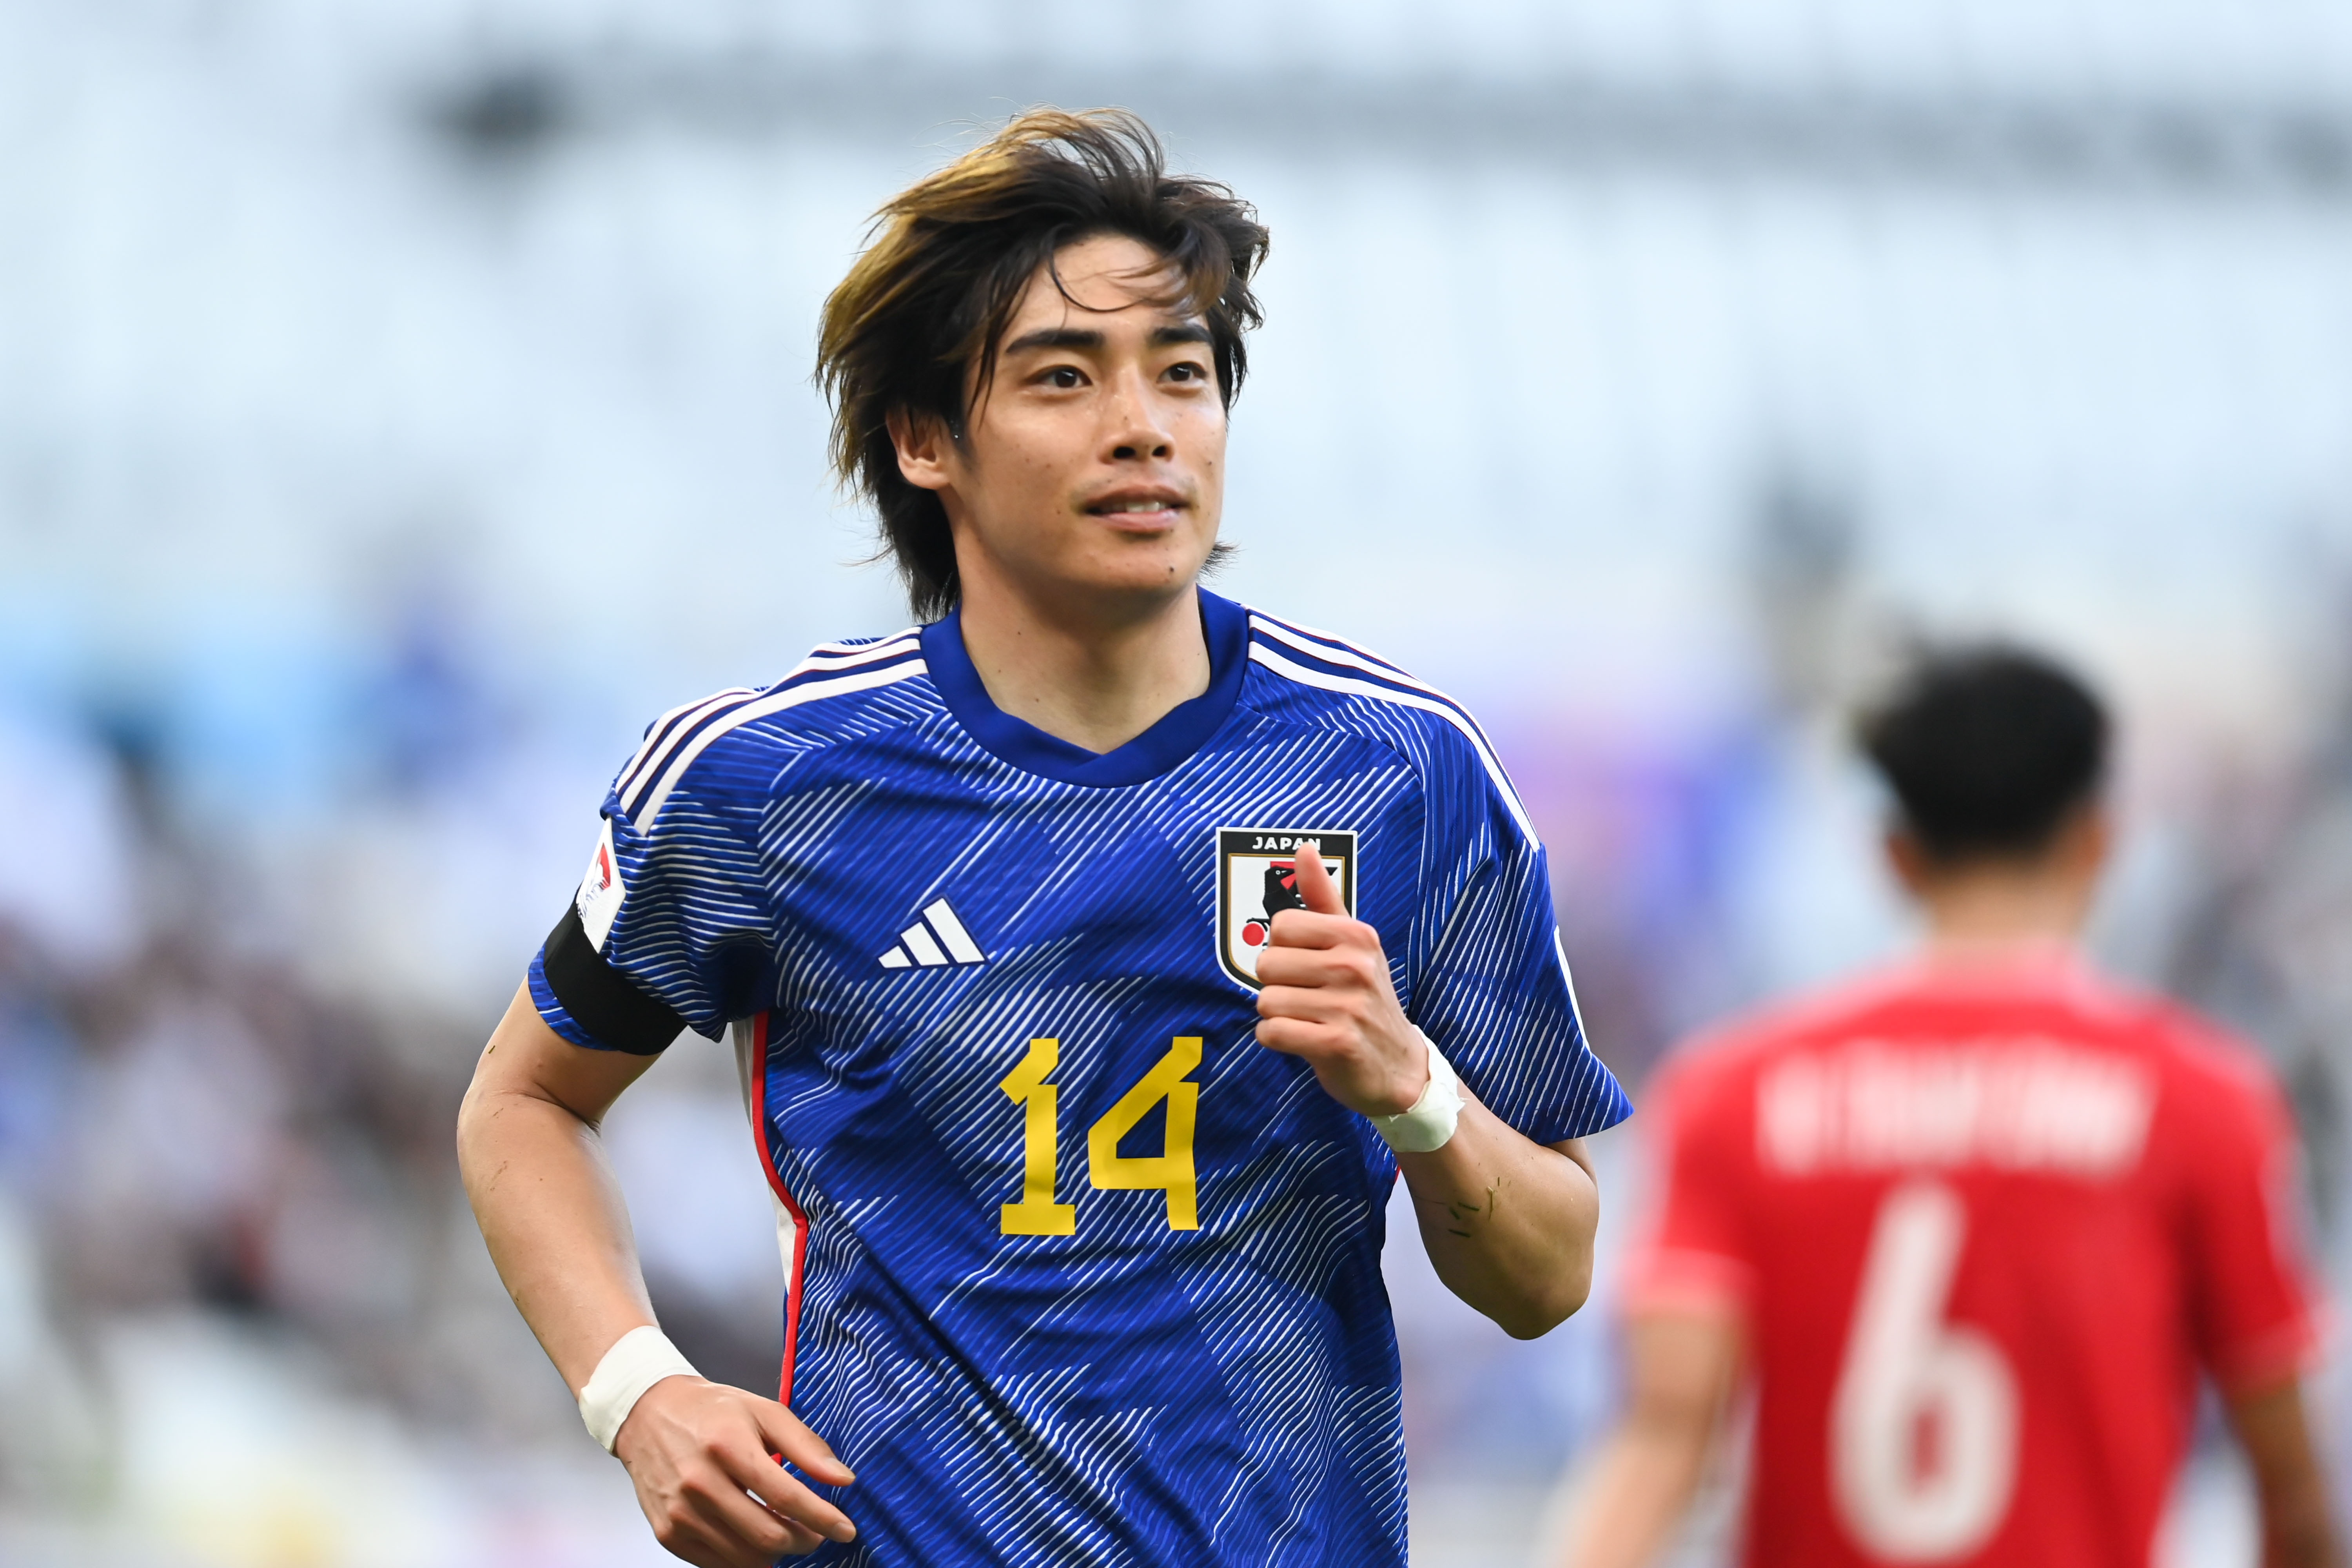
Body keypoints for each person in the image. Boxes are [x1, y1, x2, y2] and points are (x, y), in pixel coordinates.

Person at [456, 108, 1629, 1568]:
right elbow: (523, 1100)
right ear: (924, 438)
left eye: (1182, 373)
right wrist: (638, 1390)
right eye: (1065, 377)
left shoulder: (1404, 773)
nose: (1144, 424)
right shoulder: (767, 779)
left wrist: (1417, 1092)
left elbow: (1547, 1279)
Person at [1560, 648, 2342, 1568]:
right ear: (2096, 840)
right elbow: (2289, 1479)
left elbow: (1663, 1436)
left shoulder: (1731, 1095)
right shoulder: (2202, 1102)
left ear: (1895, 854)